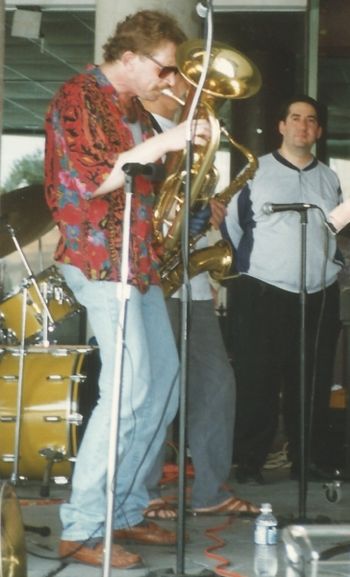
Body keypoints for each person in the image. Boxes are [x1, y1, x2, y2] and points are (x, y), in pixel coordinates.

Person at [44, 9, 212, 569]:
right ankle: (83, 524)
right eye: (165, 70)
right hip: (97, 258)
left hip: (137, 260)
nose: (170, 81)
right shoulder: (79, 96)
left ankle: (125, 511)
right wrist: (169, 144)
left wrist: (190, 154)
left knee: (161, 382)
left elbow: (151, 177)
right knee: (126, 389)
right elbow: (95, 179)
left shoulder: (134, 107)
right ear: (131, 57)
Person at [141, 79, 259, 517]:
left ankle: (210, 492)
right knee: (156, 387)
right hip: (154, 281)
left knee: (217, 384)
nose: (180, 90)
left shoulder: (189, 138)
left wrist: (207, 210)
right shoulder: (144, 131)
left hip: (191, 284)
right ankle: (147, 492)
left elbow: (186, 207)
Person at [224, 95, 343, 485]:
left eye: (311, 120)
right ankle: (249, 462)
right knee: (258, 379)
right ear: (281, 125)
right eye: (295, 118)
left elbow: (337, 232)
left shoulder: (330, 178)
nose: (303, 126)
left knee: (310, 380)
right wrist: (258, 267)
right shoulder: (254, 173)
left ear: (319, 131)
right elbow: (233, 227)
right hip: (265, 291)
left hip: (319, 294)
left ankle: (307, 459)